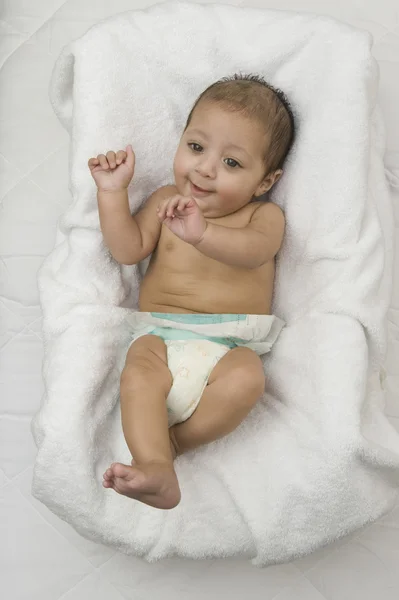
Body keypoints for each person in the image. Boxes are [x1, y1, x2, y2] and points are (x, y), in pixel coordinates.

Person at [88, 74, 295, 509]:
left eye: (233, 163)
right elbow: (128, 250)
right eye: (197, 148)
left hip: (229, 345)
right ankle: (154, 463)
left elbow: (254, 253)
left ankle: (172, 448)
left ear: (264, 181)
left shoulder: (263, 218)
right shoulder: (165, 199)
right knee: (138, 374)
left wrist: (203, 235)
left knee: (248, 379)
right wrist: (112, 194)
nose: (205, 169)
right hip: (160, 335)